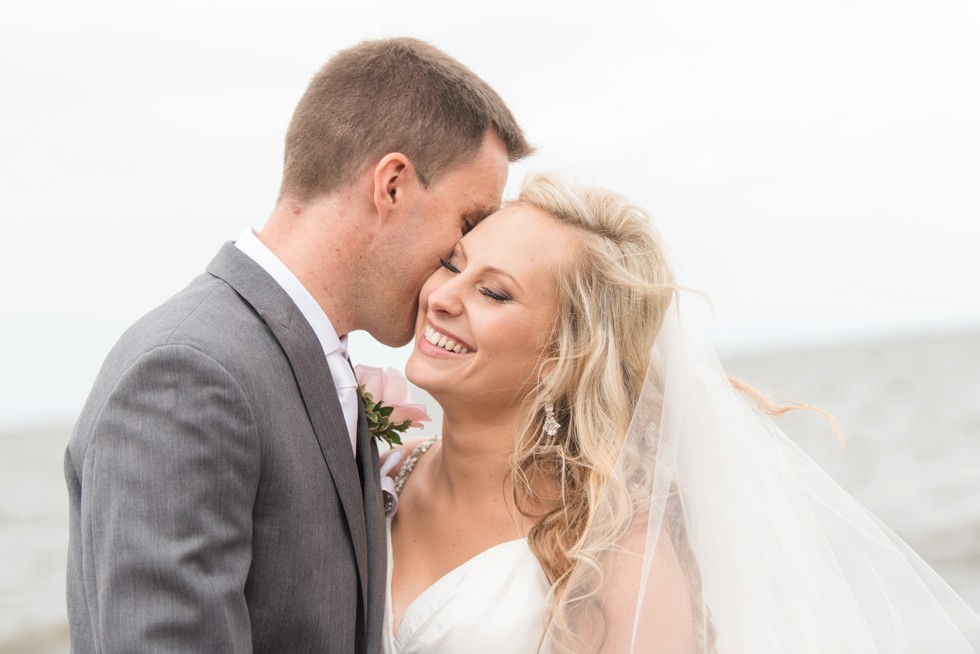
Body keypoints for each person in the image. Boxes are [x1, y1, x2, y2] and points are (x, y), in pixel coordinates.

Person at [63, 37, 531, 653]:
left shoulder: (305, 361)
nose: (457, 262)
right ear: (391, 185)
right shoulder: (190, 373)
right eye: (467, 224)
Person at [382, 173, 980, 653]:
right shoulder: (383, 474)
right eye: (454, 264)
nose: (441, 297)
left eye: (494, 293)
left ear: (562, 356)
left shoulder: (616, 551)